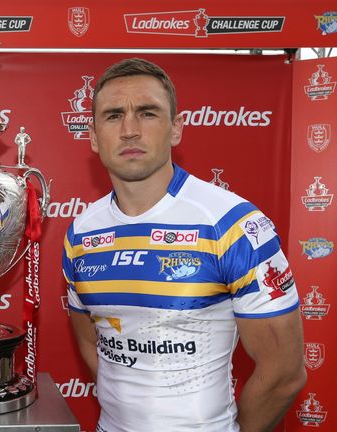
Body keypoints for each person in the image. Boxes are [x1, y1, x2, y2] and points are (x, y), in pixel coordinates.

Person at [62, 58, 306, 432]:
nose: (129, 130)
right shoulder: (81, 233)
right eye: (113, 116)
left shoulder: (233, 224)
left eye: (147, 113)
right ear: (94, 137)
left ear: (176, 129)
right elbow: (93, 347)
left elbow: (285, 373)